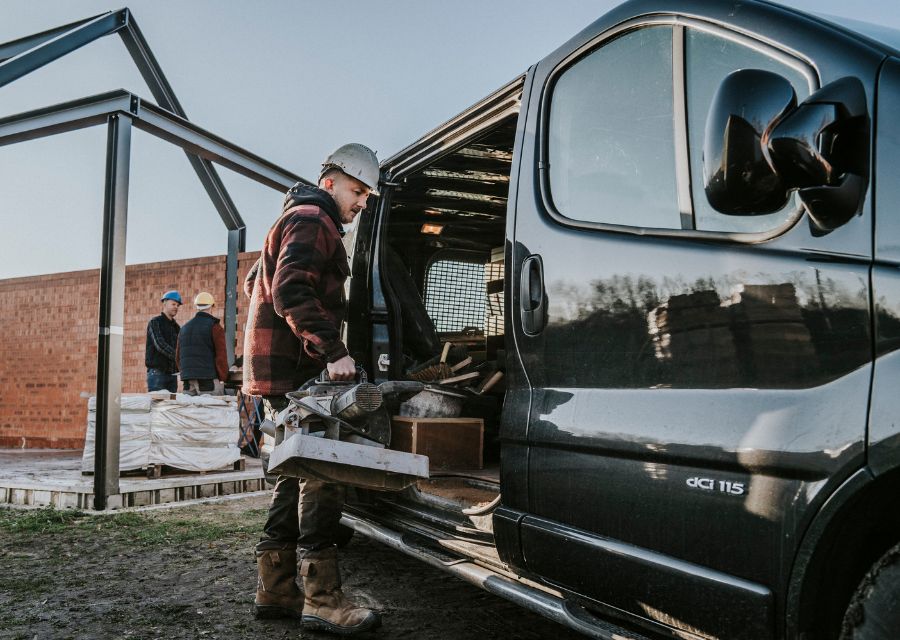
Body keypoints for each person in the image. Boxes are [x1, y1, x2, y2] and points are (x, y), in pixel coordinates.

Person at [243, 143, 380, 635]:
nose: (361, 202)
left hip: (277, 371)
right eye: (357, 190)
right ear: (331, 183)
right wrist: (334, 351)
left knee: (290, 470)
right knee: (322, 469)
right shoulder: (314, 219)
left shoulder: (292, 217)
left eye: (366, 195)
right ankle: (322, 596)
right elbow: (291, 290)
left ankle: (276, 587)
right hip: (299, 371)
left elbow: (258, 282)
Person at [176, 292, 228, 396]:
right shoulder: (215, 327)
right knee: (212, 411)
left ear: (197, 307)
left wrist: (186, 373)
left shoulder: (184, 328)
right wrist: (223, 377)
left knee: (190, 412)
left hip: (188, 381)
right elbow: (221, 356)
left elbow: (178, 357)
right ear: (212, 306)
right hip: (208, 381)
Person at [145, 290, 182, 392]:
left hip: (172, 375)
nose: (176, 307)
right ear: (165, 303)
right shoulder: (155, 322)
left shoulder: (177, 327)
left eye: (178, 305)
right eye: (173, 304)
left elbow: (180, 347)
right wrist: (178, 356)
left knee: (171, 406)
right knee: (157, 406)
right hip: (157, 374)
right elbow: (160, 344)